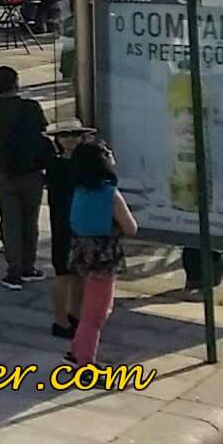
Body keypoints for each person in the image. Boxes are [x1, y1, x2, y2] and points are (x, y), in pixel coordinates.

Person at [67, 140, 138, 368]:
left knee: (89, 306)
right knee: (96, 313)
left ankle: (77, 349)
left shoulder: (79, 190)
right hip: (104, 258)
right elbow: (131, 228)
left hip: (82, 253)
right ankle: (85, 361)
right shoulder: (110, 194)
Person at [0, 64, 50, 291]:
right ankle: (29, 266)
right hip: (31, 172)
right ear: (16, 82)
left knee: (11, 223)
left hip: (4, 173)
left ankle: (13, 271)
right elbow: (43, 136)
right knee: (30, 221)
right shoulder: (32, 107)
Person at [46, 121, 95, 340]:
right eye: (65, 135)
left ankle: (76, 315)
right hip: (63, 223)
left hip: (82, 223)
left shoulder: (86, 164)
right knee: (63, 273)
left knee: (80, 273)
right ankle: (60, 319)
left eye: (75, 134)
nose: (70, 139)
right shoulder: (55, 164)